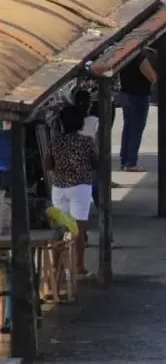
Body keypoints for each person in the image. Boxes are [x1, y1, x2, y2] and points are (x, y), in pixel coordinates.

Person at [43, 105, 98, 279]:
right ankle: (79, 266)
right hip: (81, 187)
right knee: (78, 229)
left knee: (60, 228)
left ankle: (55, 267)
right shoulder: (87, 141)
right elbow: (96, 163)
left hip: (59, 188)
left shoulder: (54, 142)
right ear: (81, 123)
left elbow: (47, 166)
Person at [117, 51, 157, 172]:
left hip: (125, 93)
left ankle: (124, 160)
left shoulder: (124, 55)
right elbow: (151, 77)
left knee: (128, 128)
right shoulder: (139, 57)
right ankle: (131, 162)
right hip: (138, 96)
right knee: (136, 129)